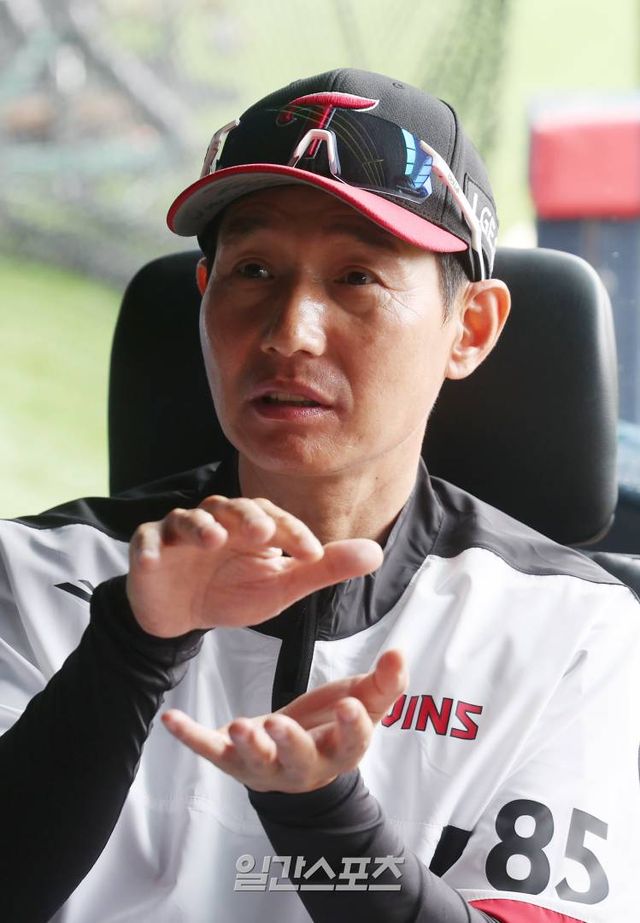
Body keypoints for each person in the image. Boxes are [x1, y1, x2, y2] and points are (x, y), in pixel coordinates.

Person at [0, 67, 638, 923]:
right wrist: (130, 647)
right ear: (204, 298)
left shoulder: (575, 632)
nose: (289, 332)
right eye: (254, 268)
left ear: (470, 328)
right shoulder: (32, 574)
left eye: (357, 278)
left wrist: (325, 817)